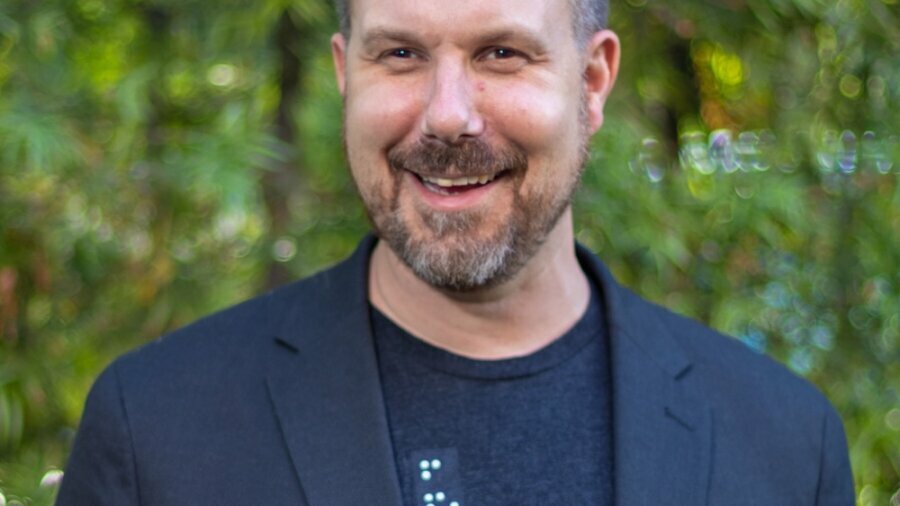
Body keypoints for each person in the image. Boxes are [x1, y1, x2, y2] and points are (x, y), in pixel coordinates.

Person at [57, 0, 855, 504]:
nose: (448, 117)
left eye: (501, 53)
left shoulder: (783, 443)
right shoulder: (158, 428)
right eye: (400, 54)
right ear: (345, 74)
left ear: (593, 81)